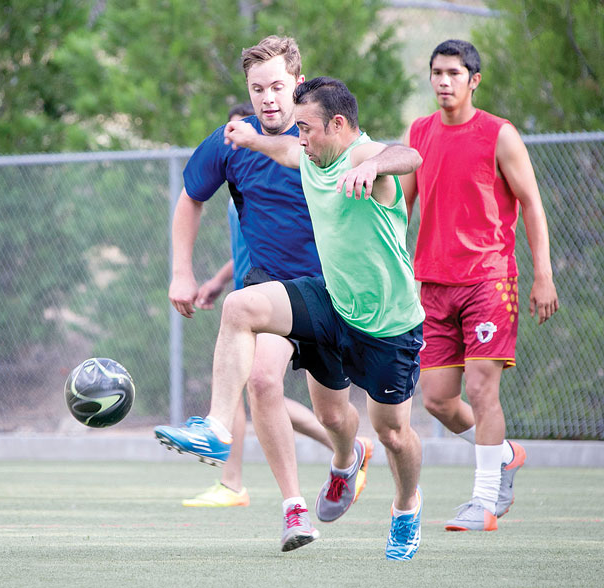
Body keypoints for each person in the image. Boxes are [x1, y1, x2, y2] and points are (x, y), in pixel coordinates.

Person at [160, 75, 426, 560]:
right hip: (330, 300)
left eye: (304, 129)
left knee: (391, 432)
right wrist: (248, 136)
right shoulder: (306, 156)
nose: (298, 139)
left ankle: (407, 506)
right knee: (241, 307)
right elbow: (280, 152)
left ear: (338, 124)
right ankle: (218, 428)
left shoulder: (363, 156)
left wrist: (375, 168)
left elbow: (409, 156)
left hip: (389, 325)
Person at [400, 40, 559, 532]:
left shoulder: (499, 134)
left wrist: (543, 275)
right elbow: (402, 205)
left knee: (482, 387)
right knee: (438, 399)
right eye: (436, 73)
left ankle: (484, 502)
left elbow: (531, 204)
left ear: (474, 79)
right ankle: (505, 454)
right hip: (433, 284)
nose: (443, 81)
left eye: (453, 72)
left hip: (490, 280)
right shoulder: (419, 133)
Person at [185, 103, 372, 508]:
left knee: (333, 415)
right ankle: (286, 503)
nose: (267, 99)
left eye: (276, 87)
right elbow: (194, 200)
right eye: (257, 89)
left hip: (327, 294)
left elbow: (402, 157)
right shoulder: (235, 171)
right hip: (267, 294)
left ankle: (348, 452)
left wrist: (373, 166)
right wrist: (208, 280)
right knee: (259, 381)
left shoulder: (314, 150)